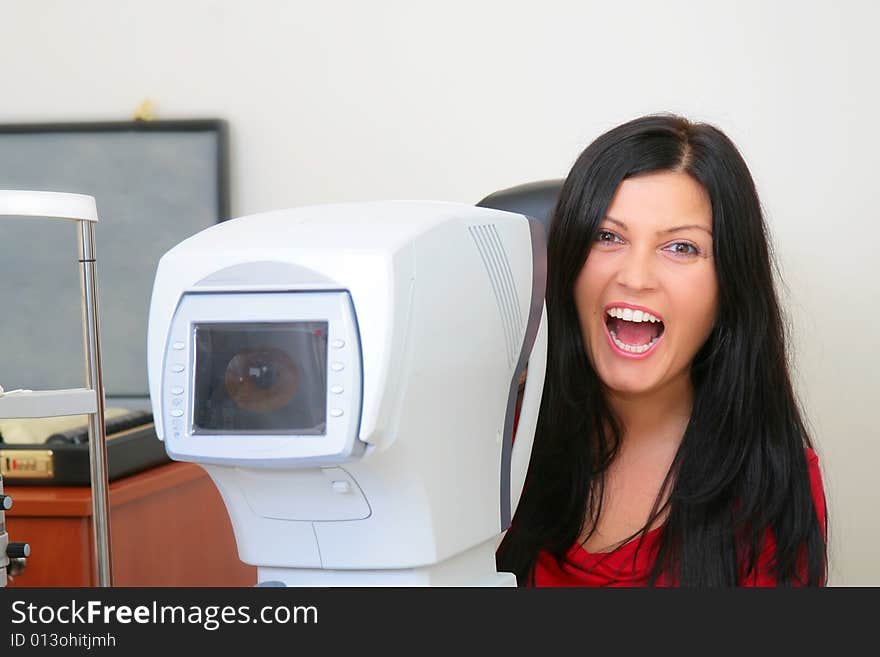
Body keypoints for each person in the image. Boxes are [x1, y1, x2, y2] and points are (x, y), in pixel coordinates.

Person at [497, 114, 827, 586]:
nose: (635, 277)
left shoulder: (772, 480)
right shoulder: (498, 440)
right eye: (607, 236)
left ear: (728, 285)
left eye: (681, 248)